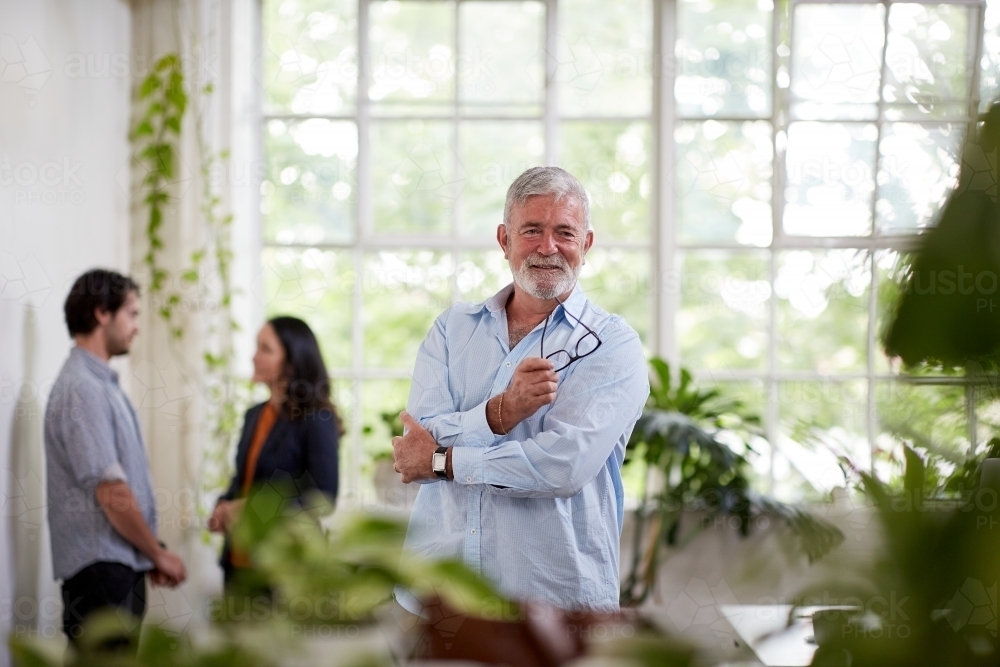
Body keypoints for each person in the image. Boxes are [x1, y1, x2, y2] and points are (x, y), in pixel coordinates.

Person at [391, 166, 649, 612]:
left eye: (564, 233)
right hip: (440, 597)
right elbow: (422, 431)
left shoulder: (611, 344)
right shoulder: (452, 330)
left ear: (585, 245)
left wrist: (442, 461)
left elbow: (562, 466)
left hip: (554, 604)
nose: (548, 248)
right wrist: (499, 414)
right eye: (531, 230)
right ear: (504, 239)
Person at [45, 269, 187, 648]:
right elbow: (111, 491)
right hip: (99, 578)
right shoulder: (83, 390)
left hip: (114, 571)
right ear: (101, 313)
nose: (137, 327)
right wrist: (156, 552)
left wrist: (147, 554)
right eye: (132, 313)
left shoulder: (101, 385)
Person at [209, 316, 341, 584]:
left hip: (287, 567)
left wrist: (251, 509)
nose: (254, 357)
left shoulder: (316, 418)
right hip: (238, 564)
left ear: (291, 363)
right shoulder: (254, 415)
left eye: (265, 349)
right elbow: (244, 480)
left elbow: (324, 497)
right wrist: (223, 505)